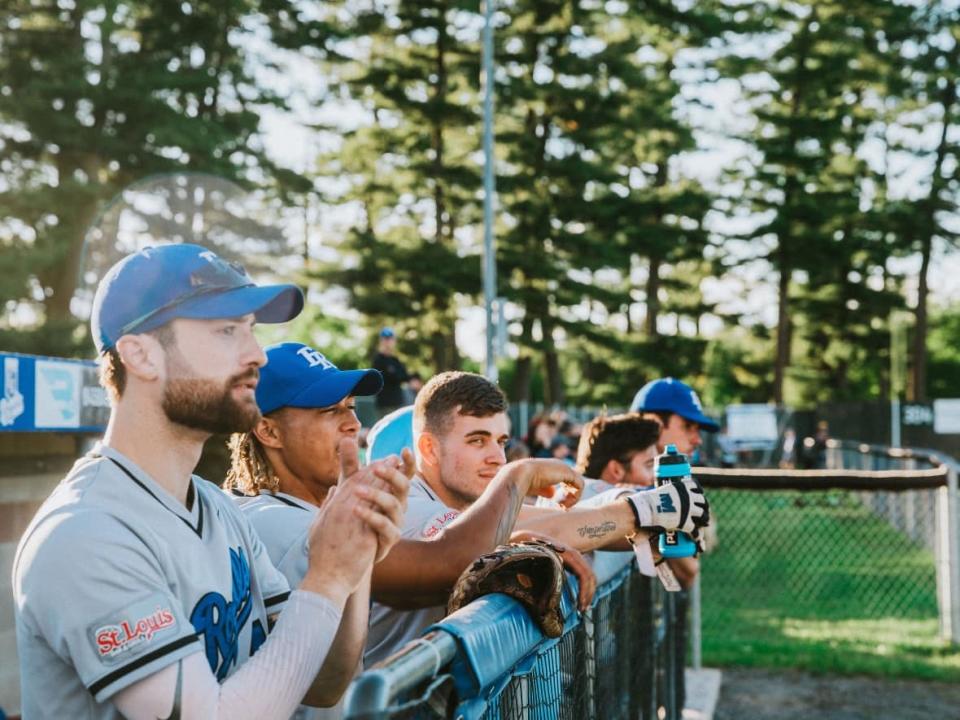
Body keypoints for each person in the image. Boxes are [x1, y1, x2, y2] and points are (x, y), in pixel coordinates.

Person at [12, 244, 409, 720]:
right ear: (140, 355)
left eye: (251, 331)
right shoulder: (87, 533)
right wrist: (325, 578)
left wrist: (353, 558)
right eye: (226, 331)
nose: (256, 354)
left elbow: (320, 683)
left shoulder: (217, 508)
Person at [366, 371, 711, 665]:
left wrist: (641, 515)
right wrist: (640, 511)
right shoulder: (407, 502)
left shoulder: (473, 507)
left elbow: (556, 520)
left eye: (501, 441)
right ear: (428, 449)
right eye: (477, 441)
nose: (496, 457)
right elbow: (465, 548)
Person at [225, 342, 414, 719]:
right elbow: (331, 684)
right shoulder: (281, 523)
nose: (353, 423)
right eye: (330, 410)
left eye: (351, 408)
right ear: (267, 430)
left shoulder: (283, 510)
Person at [371, 327, 410, 416]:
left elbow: (404, 377)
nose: (388, 342)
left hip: (398, 403)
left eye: (390, 339)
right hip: (385, 405)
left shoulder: (395, 360)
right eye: (385, 339)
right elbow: (382, 380)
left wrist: (394, 374)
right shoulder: (378, 360)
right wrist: (395, 375)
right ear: (381, 341)